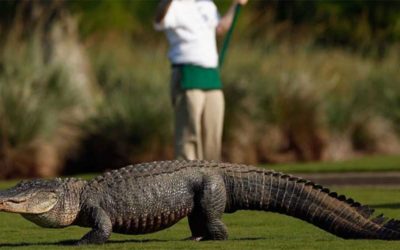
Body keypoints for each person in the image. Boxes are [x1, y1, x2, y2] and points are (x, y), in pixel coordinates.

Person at [154, 0, 248, 161]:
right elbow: (159, 20)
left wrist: (235, 5)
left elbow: (221, 27)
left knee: (213, 134)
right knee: (188, 134)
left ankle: (211, 178)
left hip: (211, 75)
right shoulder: (174, 6)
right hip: (187, 73)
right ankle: (186, 179)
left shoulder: (207, 5)